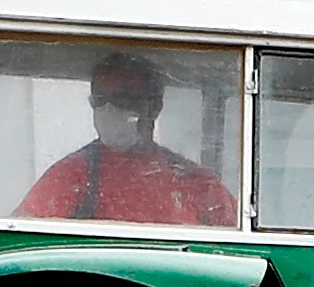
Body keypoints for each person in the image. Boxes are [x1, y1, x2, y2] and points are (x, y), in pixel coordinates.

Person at [13, 51, 241, 228]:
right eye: (100, 100)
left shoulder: (197, 184)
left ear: (154, 107)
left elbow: (238, 248)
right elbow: (22, 233)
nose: (109, 109)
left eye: (122, 98)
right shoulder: (74, 175)